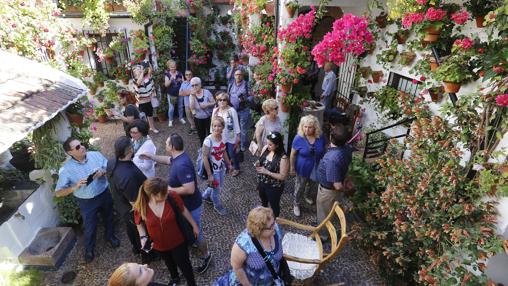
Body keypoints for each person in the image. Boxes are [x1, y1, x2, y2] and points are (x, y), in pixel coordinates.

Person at [140, 134, 212, 274]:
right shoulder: (178, 157)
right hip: (186, 205)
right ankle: (193, 243)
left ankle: (206, 255)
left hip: (191, 205)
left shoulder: (181, 165)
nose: (165, 145)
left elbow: (190, 189)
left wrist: (168, 189)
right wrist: (151, 156)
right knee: (191, 230)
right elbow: (168, 160)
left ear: (172, 147)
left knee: (197, 231)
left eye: (167, 143)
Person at [55, 137, 120, 263]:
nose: (82, 147)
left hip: (104, 193)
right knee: (90, 226)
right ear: (70, 153)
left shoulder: (95, 155)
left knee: (109, 217)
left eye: (82, 144)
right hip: (87, 202)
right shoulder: (66, 170)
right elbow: (58, 193)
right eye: (78, 147)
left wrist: (104, 171)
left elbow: (109, 169)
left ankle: (110, 236)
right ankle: (89, 249)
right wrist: (75, 186)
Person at [133, 177, 198, 286]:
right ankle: (175, 277)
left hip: (178, 242)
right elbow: (138, 223)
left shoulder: (172, 196)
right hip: (159, 245)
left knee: (185, 264)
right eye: (163, 193)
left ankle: (192, 283)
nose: (167, 194)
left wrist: (194, 225)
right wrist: (143, 237)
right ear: (153, 195)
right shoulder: (141, 205)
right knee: (169, 263)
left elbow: (183, 210)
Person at [214, 207, 284, 286]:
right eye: (271, 226)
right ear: (259, 230)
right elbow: (237, 267)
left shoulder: (275, 230)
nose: (275, 226)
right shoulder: (243, 244)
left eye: (274, 222)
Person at [107, 137, 147, 255]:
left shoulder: (112, 162)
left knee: (130, 228)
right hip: (131, 209)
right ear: (130, 149)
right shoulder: (127, 176)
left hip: (121, 205)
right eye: (132, 145)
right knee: (137, 229)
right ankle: (145, 252)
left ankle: (135, 248)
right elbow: (135, 203)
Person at [316, 124, 353, 239]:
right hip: (330, 190)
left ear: (331, 137)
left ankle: (322, 235)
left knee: (324, 214)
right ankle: (320, 226)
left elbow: (337, 186)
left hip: (328, 192)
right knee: (324, 212)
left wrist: (344, 190)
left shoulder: (333, 159)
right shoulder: (347, 149)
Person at [289, 115, 326, 217]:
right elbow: (292, 154)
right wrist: (292, 167)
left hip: (316, 166)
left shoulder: (320, 137)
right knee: (300, 186)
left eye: (310, 127)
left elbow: (324, 149)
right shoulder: (298, 138)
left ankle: (306, 196)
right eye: (305, 126)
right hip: (302, 167)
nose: (307, 129)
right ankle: (296, 203)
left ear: (315, 128)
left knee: (312, 184)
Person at [202, 116, 232, 216]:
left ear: (223, 127)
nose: (216, 128)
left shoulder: (223, 137)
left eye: (219, 126)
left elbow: (224, 152)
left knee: (218, 185)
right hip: (213, 171)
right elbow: (205, 157)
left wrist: (229, 164)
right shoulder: (208, 141)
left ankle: (205, 195)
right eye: (214, 126)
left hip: (221, 168)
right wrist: (210, 175)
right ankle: (217, 206)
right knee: (217, 189)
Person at [255, 132, 289, 217]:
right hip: (262, 183)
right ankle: (264, 218)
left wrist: (267, 172)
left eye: (270, 144)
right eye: (267, 143)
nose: (267, 145)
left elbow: (283, 176)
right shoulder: (266, 148)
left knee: (274, 206)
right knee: (264, 202)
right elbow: (261, 160)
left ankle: (275, 222)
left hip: (274, 187)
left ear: (277, 145)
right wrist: (258, 163)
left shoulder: (283, 158)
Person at [211, 92, 241, 177]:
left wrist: (238, 136)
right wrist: (212, 135)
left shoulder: (232, 110)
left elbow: (236, 124)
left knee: (232, 153)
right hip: (220, 136)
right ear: (217, 101)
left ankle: (236, 168)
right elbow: (212, 124)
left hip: (231, 136)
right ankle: (228, 166)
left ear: (227, 101)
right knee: (223, 153)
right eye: (220, 100)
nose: (222, 102)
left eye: (224, 100)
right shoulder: (215, 111)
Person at [228, 69, 251, 155]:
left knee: (243, 129)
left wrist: (245, 99)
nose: (238, 76)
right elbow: (228, 95)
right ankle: (233, 143)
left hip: (243, 110)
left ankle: (242, 145)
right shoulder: (230, 84)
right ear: (234, 76)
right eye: (237, 74)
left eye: (240, 74)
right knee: (232, 127)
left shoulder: (246, 84)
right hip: (232, 110)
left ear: (242, 76)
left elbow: (251, 96)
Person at [132, 64, 159, 134]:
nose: (141, 70)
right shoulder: (134, 81)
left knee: (150, 116)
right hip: (141, 103)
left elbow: (150, 71)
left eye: (141, 68)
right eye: (138, 69)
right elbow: (138, 83)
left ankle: (152, 128)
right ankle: (144, 131)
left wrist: (148, 63)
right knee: (143, 118)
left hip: (148, 101)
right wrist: (143, 73)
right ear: (134, 72)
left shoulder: (146, 79)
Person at [189, 77, 215, 144]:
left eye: (196, 84)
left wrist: (207, 104)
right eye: (192, 85)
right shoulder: (191, 95)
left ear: (200, 85)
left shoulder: (207, 92)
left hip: (208, 117)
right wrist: (192, 96)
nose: (194, 87)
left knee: (210, 134)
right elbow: (192, 108)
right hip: (198, 118)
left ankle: (212, 148)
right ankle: (203, 149)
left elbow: (214, 102)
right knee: (201, 135)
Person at [164, 60, 184, 127]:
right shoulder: (167, 75)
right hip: (171, 94)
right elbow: (166, 85)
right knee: (171, 108)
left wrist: (181, 81)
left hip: (180, 93)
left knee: (180, 106)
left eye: (174, 66)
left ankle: (181, 118)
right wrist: (171, 80)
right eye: (171, 67)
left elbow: (184, 83)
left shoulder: (180, 73)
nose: (173, 68)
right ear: (169, 67)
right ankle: (170, 120)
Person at [179, 70, 197, 134]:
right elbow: (180, 93)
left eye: (189, 74)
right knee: (188, 116)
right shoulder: (183, 83)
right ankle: (193, 127)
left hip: (193, 103)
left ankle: (194, 128)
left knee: (195, 116)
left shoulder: (194, 83)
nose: (188, 76)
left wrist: (185, 92)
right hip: (186, 103)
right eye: (186, 74)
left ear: (192, 75)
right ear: (185, 76)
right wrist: (188, 92)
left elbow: (194, 91)